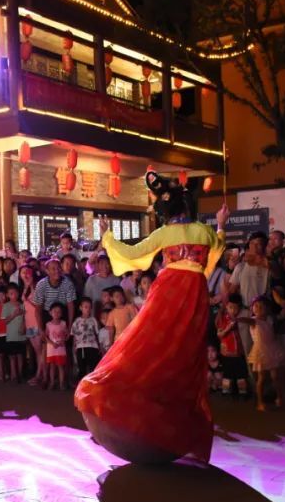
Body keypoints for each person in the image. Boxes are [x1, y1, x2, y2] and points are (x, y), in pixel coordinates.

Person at [78, 171, 226, 463]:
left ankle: (133, 395)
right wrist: (221, 224)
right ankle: (173, 411)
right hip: (194, 294)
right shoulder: (204, 232)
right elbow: (216, 251)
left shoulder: (164, 233)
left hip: (169, 290)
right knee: (184, 353)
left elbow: (133, 254)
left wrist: (107, 235)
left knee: (149, 342)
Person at [241, 295, 285, 411]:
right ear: (252, 308)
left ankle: (279, 397)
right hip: (260, 351)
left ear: (267, 308)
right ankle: (260, 402)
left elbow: (280, 317)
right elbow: (246, 320)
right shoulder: (254, 320)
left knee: (275, 376)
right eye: (256, 306)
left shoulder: (269, 319)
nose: (258, 308)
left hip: (272, 348)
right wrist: (237, 319)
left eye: (261, 306)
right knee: (261, 378)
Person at [217, 294, 249, 398]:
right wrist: (228, 328)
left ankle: (243, 392)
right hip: (227, 352)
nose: (233, 310)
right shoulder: (223, 319)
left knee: (241, 374)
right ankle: (226, 391)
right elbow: (219, 334)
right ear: (226, 306)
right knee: (227, 374)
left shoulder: (241, 318)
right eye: (230, 307)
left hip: (239, 352)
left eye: (235, 308)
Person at [71, 297, 101, 379]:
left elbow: (97, 334)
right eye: (85, 307)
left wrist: (99, 346)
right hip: (81, 347)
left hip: (92, 347)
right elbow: (74, 335)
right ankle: (82, 384)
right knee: (82, 368)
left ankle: (92, 384)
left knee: (93, 367)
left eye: (89, 307)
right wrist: (74, 346)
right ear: (81, 308)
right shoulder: (77, 321)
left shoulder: (93, 320)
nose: (88, 309)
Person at [1, 283, 26, 382]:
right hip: (11, 336)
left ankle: (20, 374)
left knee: (20, 355)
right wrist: (14, 314)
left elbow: (25, 318)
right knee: (12, 356)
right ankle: (13, 374)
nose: (14, 295)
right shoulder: (6, 306)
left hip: (21, 335)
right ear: (7, 295)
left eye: (15, 293)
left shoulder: (22, 305)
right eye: (11, 293)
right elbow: (5, 321)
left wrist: (23, 326)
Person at [43, 302, 69, 390]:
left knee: (60, 366)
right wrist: (51, 343)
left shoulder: (63, 323)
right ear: (50, 312)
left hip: (61, 349)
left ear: (61, 314)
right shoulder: (48, 324)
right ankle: (52, 382)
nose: (57, 313)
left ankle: (61, 383)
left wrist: (63, 340)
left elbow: (67, 334)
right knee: (52, 366)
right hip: (52, 349)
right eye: (54, 311)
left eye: (59, 312)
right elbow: (45, 336)